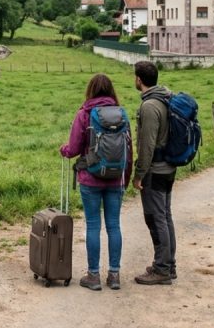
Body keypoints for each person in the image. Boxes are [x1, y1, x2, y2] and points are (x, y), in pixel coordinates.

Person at [59, 73, 132, 291]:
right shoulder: (122, 115)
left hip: (90, 178)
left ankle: (93, 275)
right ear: (111, 91)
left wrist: (63, 150)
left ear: (90, 90)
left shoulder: (84, 114)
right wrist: (125, 179)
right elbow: (129, 151)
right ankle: (114, 274)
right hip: (115, 179)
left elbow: (72, 149)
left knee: (93, 225)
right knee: (113, 225)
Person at [132, 60, 177, 285]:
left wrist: (139, 174)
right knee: (165, 216)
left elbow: (147, 146)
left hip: (155, 170)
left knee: (156, 218)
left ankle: (162, 270)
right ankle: (169, 264)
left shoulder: (149, 106)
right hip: (168, 167)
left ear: (139, 79)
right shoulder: (165, 97)